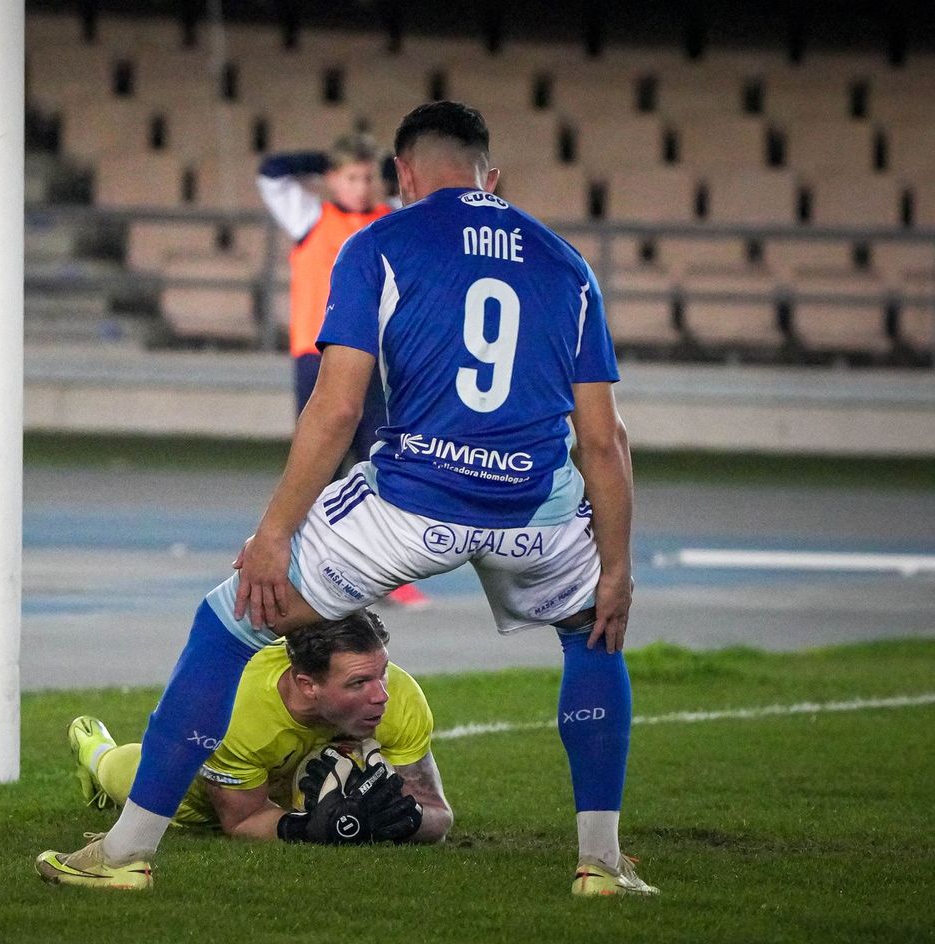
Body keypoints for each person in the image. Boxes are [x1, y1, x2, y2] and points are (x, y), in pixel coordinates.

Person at [35, 101, 656, 897]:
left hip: (409, 506)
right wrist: (617, 565)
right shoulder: (567, 264)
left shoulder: (379, 243)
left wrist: (274, 532)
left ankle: (125, 853)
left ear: (402, 175)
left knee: (228, 624)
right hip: (534, 509)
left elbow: (335, 410)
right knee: (591, 638)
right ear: (489, 177)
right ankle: (601, 864)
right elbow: (606, 441)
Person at [56, 610, 451, 847]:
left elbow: (439, 815)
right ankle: (93, 747)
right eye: (358, 683)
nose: (381, 694)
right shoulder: (236, 710)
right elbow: (242, 822)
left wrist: (400, 821)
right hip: (198, 795)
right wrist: (314, 830)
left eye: (381, 673)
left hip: (280, 787)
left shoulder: (400, 697)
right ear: (307, 685)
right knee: (123, 773)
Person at [257, 134, 429, 609]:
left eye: (368, 176)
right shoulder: (310, 217)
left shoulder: (392, 219)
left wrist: (386, 167)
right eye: (350, 176)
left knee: (381, 459)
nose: (361, 185)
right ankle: (310, 566)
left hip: (378, 360)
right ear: (332, 179)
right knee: (320, 462)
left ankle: (387, 571)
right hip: (318, 356)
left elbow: (427, 197)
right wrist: (325, 157)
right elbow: (272, 170)